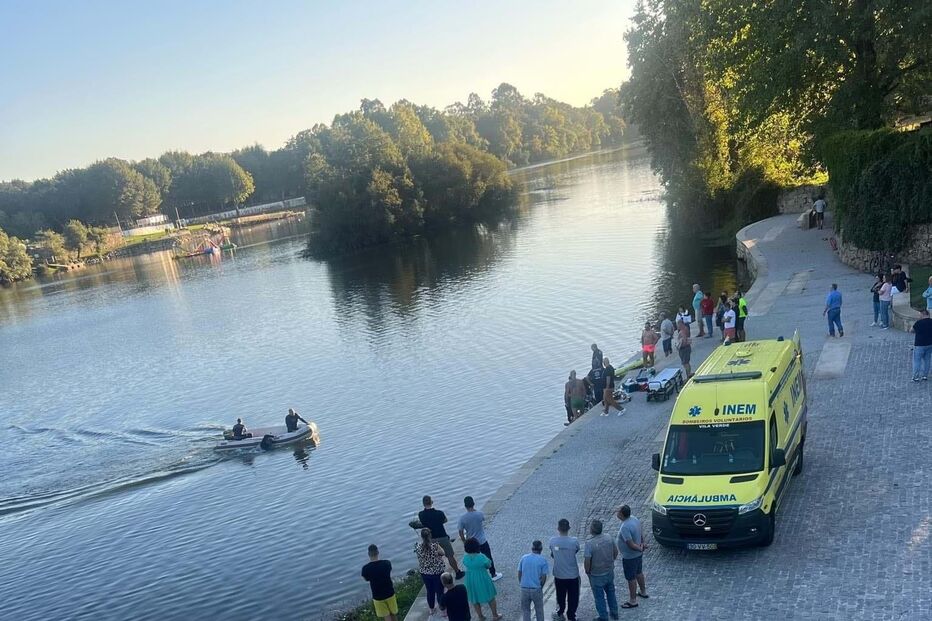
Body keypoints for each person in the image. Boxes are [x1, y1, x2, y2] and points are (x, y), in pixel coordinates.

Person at [458, 496, 503, 582]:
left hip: (470, 542)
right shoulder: (479, 514)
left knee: (473, 559)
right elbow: (482, 519)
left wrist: (464, 541)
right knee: (488, 557)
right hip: (482, 540)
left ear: (465, 506)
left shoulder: (462, 518)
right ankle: (493, 574)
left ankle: (476, 575)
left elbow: (460, 531)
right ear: (473, 504)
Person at [419, 496, 464, 579]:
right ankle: (457, 572)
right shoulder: (439, 513)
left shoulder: (421, 514)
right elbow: (445, 520)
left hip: (430, 539)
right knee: (450, 556)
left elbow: (422, 523)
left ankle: (438, 576)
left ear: (423, 503)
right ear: (431, 502)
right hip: (442, 536)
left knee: (434, 558)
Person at [584, 519, 618, 621]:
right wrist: (610, 562)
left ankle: (603, 616)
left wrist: (587, 571)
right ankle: (614, 612)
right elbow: (615, 552)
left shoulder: (590, 544)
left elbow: (587, 561)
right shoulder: (609, 537)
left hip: (596, 575)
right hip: (609, 571)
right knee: (611, 593)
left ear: (592, 530)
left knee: (599, 597)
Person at [616, 505, 647, 609]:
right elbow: (641, 533)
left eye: (618, 511)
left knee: (631, 578)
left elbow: (630, 544)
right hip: (638, 555)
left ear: (621, 514)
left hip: (630, 557)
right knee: (639, 572)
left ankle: (633, 601)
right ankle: (643, 592)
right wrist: (642, 544)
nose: (616, 512)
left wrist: (640, 548)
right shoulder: (634, 519)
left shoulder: (625, 527)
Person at [462, 537, 502, 621]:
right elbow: (488, 565)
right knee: (490, 596)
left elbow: (464, 565)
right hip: (482, 578)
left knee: (474, 599)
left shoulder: (465, 558)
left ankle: (480, 616)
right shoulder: (481, 556)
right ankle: (495, 615)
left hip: (470, 579)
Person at [549, 518, 580, 621]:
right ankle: (571, 615)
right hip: (573, 575)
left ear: (558, 528)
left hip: (559, 574)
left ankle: (560, 612)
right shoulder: (574, 541)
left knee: (560, 595)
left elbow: (553, 553)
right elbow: (576, 550)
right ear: (569, 528)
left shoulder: (553, 541)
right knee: (573, 597)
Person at [415, 528, 447, 616]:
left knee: (430, 591)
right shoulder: (435, 546)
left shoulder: (417, 547)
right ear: (430, 535)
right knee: (439, 591)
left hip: (425, 573)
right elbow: (443, 553)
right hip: (437, 572)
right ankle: (443, 610)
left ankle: (431, 609)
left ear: (421, 536)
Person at [362, 544, 397, 621]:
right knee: (393, 613)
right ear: (378, 552)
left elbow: (366, 579)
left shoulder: (366, 569)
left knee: (386, 616)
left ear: (368, 554)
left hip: (378, 596)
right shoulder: (387, 563)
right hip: (390, 592)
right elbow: (389, 571)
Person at [517, 540, 549, 621]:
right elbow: (543, 577)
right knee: (539, 611)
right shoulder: (543, 560)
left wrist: (521, 583)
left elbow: (519, 572)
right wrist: (540, 587)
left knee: (526, 611)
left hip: (524, 589)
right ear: (541, 549)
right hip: (536, 589)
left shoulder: (524, 558)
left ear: (532, 548)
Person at [911, 309, 932, 382]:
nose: (919, 316)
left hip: (919, 344)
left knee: (917, 361)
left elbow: (911, 330)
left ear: (923, 314)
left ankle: (915, 377)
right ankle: (925, 376)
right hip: (929, 344)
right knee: (927, 360)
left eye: (919, 314)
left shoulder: (919, 323)